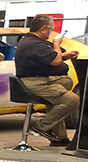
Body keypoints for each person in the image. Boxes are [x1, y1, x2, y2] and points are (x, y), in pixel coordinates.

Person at [15, 14, 80, 147]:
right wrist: (56, 44)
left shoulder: (33, 42)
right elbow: (55, 61)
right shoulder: (33, 44)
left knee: (65, 83)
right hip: (34, 82)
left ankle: (59, 136)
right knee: (72, 100)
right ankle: (42, 126)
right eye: (51, 29)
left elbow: (48, 59)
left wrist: (65, 56)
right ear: (43, 29)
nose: (52, 32)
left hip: (39, 80)